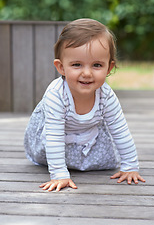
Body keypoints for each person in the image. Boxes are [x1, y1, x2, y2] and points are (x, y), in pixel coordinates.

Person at [24, 18, 145, 192]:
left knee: (105, 163)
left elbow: (120, 130)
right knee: (49, 155)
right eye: (77, 65)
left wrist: (130, 166)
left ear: (109, 68)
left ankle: (81, 161)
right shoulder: (56, 95)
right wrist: (59, 174)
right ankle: (62, 166)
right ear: (61, 67)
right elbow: (54, 136)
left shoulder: (106, 95)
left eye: (96, 65)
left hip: (90, 140)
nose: (86, 73)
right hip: (55, 142)